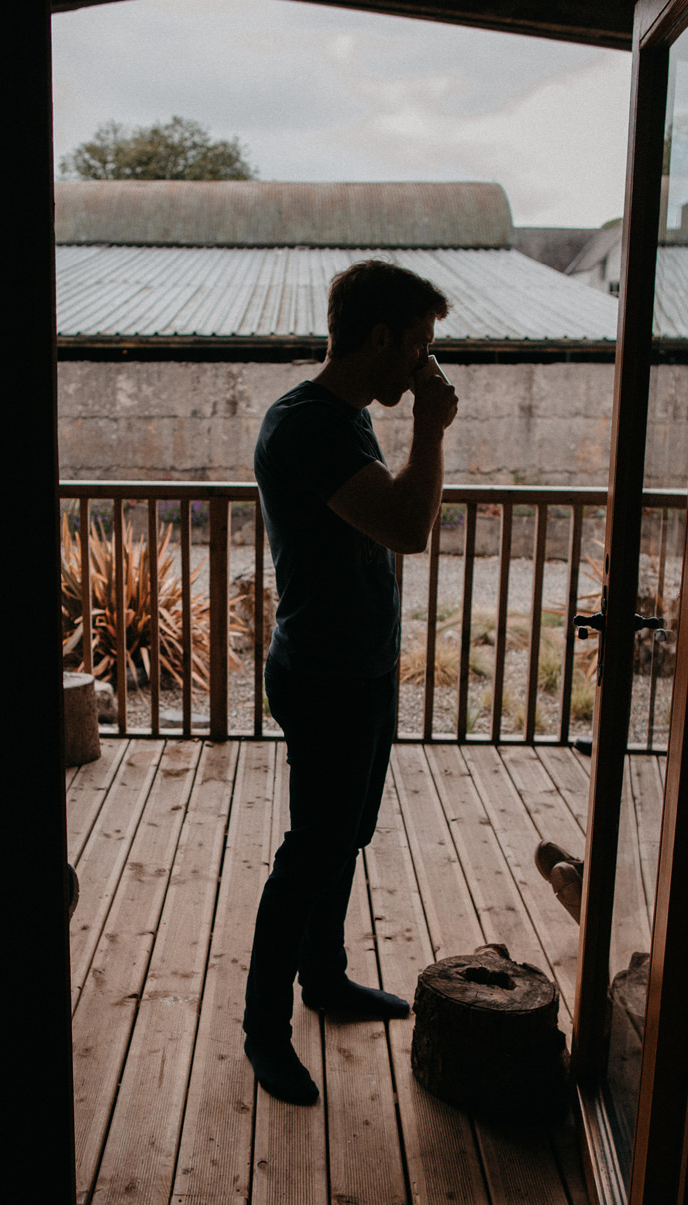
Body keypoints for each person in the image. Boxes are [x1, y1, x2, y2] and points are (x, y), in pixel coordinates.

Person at [245, 260, 458, 1105]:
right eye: (419, 347)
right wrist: (434, 429)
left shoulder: (349, 417)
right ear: (381, 338)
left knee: (343, 837)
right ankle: (265, 1030)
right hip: (324, 674)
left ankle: (324, 980)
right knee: (310, 853)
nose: (425, 368)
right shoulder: (308, 427)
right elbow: (409, 525)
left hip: (358, 667)